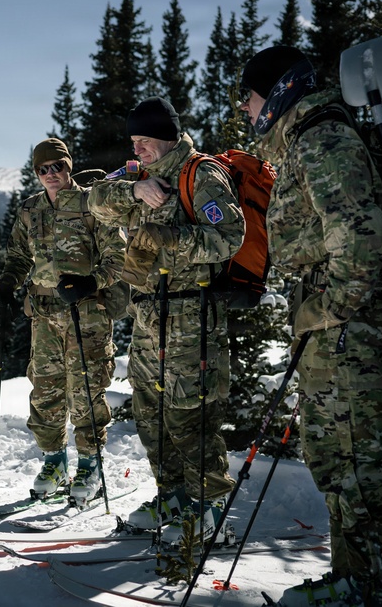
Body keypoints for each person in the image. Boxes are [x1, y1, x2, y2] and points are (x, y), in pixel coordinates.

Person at [239, 46, 382, 607]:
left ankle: (368, 588)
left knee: (354, 465)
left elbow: (361, 240)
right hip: (333, 332)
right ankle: (359, 580)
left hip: (347, 335)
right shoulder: (305, 140)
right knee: (337, 461)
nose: (245, 109)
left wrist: (320, 312)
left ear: (279, 89)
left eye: (250, 96)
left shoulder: (321, 140)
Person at [86, 97, 244, 544]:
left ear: (167, 136)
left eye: (144, 141)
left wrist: (167, 239)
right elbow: (95, 199)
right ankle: (173, 495)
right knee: (149, 411)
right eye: (134, 142)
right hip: (149, 316)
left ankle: (210, 505)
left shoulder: (201, 174)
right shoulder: (139, 173)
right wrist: (134, 190)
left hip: (191, 314)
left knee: (188, 414)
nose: (137, 150)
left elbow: (229, 237)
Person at [0, 138, 125, 507]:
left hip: (86, 314)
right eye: (43, 169)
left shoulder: (91, 205)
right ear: (36, 172)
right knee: (46, 392)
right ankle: (54, 462)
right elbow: (19, 255)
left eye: (58, 167)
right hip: (45, 316)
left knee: (85, 391)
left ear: (69, 167)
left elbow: (119, 256)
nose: (52, 174)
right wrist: (7, 282)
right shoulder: (30, 210)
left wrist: (91, 281)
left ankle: (89, 465)